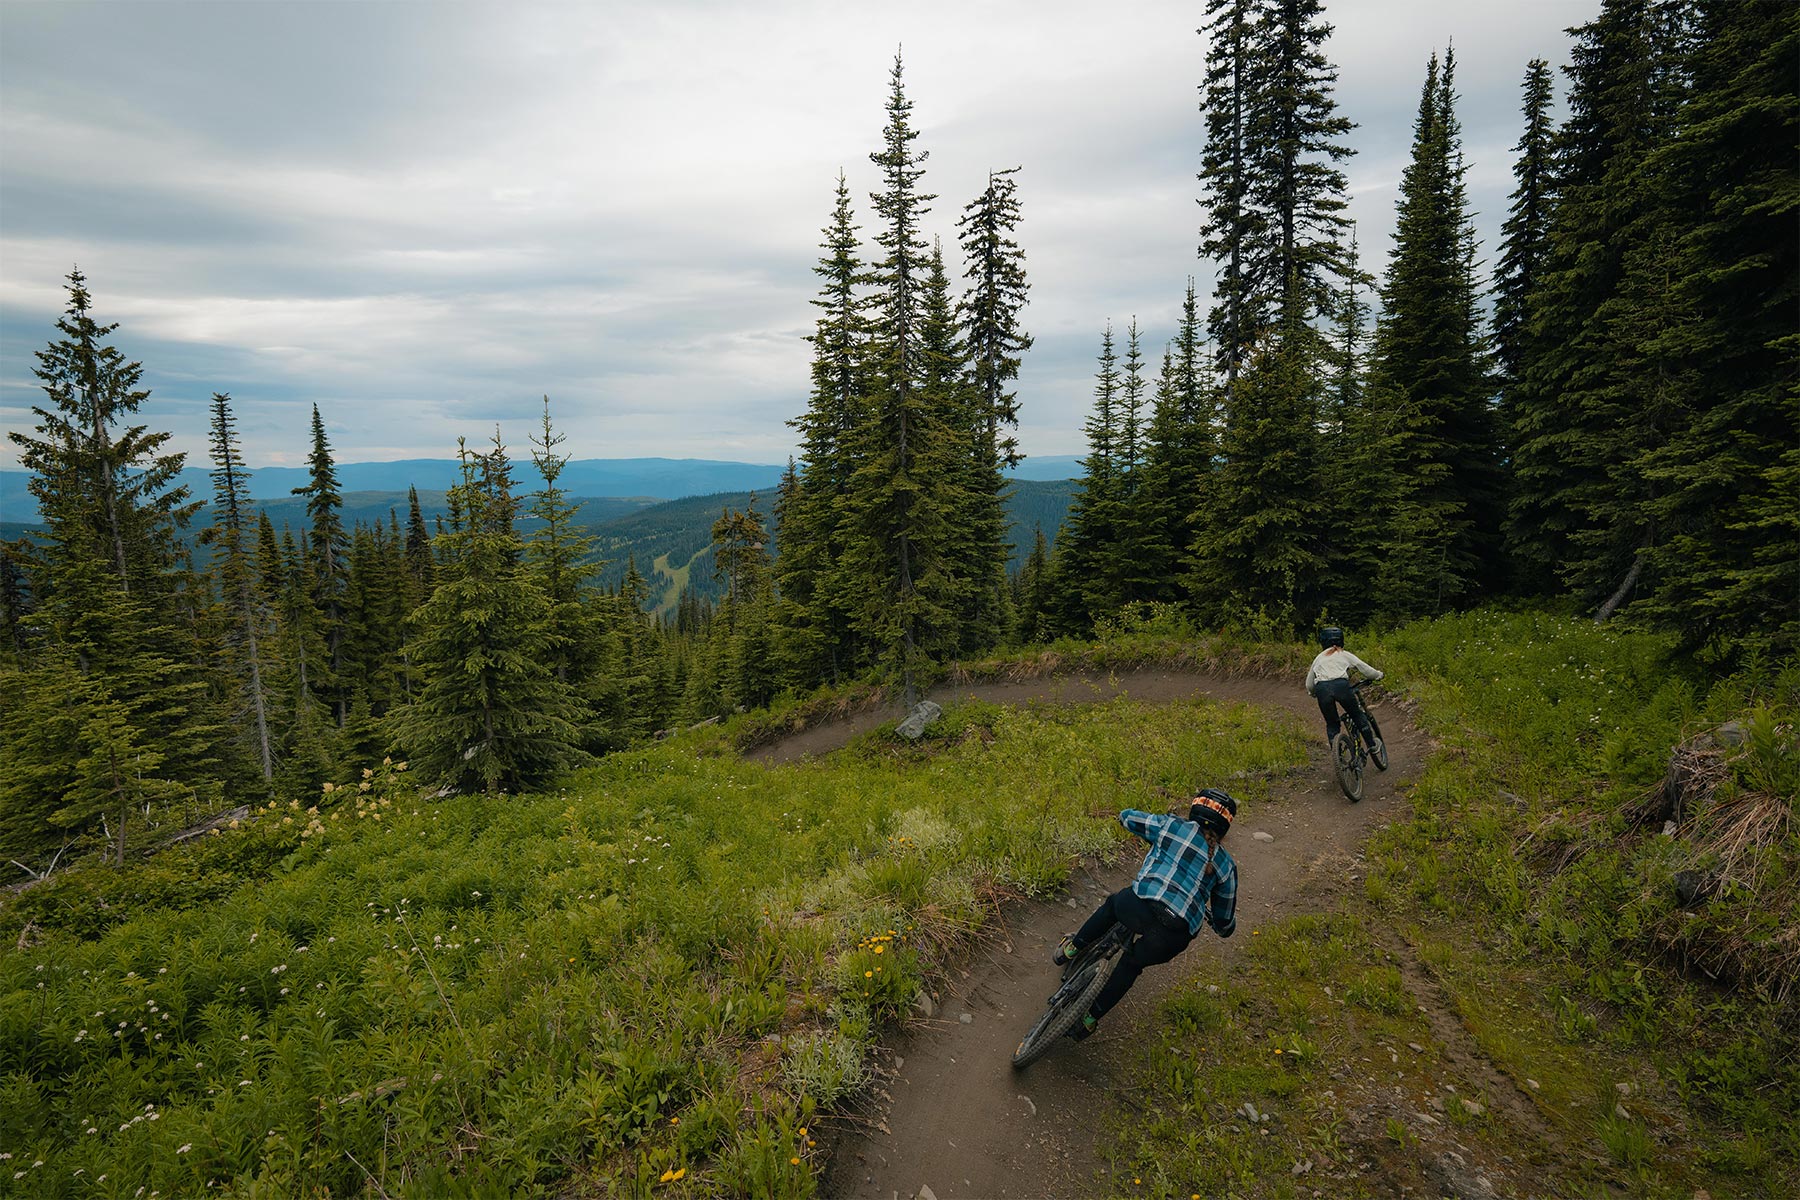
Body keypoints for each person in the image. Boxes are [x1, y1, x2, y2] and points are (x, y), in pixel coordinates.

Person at [1050, 788, 1238, 1040]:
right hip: (1173, 935)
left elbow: (1129, 817)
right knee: (1131, 965)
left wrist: (1123, 817)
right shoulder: (1226, 866)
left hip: (1140, 906)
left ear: (1194, 809)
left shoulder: (1171, 825)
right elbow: (1225, 921)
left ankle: (1071, 948)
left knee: (1112, 906)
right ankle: (1088, 1019)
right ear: (1225, 828)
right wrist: (1221, 926)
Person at [1305, 626, 1383, 751]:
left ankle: (1338, 754)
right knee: (1356, 714)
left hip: (1322, 689)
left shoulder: (1318, 658)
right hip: (1341, 686)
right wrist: (1378, 675)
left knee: (1332, 724)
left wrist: (1313, 693)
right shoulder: (1344, 654)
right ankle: (1372, 745)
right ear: (1341, 640)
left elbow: (1309, 684)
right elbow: (1365, 669)